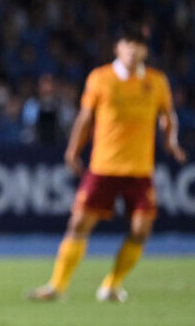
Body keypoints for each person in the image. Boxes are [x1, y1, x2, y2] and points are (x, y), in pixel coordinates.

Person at [27, 24, 187, 302]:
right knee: (79, 223)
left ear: (145, 50)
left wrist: (171, 141)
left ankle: (112, 285)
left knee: (141, 230)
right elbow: (85, 118)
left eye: (139, 44)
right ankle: (57, 285)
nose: (133, 49)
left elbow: (168, 114)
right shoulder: (100, 78)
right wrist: (73, 151)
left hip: (139, 169)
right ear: (117, 48)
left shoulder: (156, 81)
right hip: (104, 166)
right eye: (128, 43)